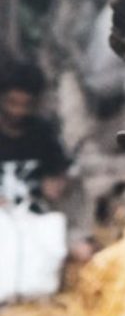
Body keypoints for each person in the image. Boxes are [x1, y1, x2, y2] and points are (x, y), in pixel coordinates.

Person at [0, 59, 71, 302]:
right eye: (12, 104)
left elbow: (58, 175)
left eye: (25, 105)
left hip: (32, 214)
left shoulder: (42, 133)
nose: (17, 112)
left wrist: (53, 185)